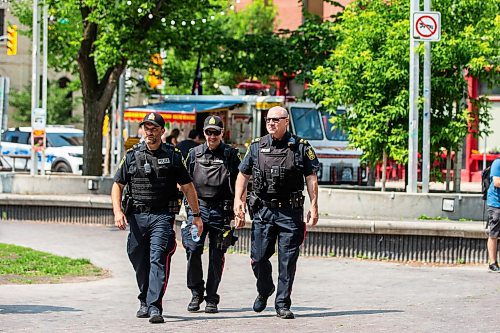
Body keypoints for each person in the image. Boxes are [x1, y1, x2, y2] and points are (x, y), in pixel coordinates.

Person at [111, 112, 203, 324]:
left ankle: (154, 306)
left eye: (154, 129)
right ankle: (144, 298)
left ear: (162, 131)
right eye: (146, 128)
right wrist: (117, 211)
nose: (149, 132)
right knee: (137, 256)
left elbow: (188, 187)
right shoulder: (132, 155)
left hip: (162, 216)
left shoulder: (172, 155)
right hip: (137, 216)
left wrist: (196, 215)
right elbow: (118, 185)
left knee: (157, 258)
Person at [233, 106, 320, 319]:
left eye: (275, 120)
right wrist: (238, 199)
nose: (271, 123)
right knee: (259, 257)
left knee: (287, 260)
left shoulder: (300, 146)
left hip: (290, 211)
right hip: (263, 210)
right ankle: (265, 289)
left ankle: (282, 303)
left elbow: (311, 178)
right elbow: (243, 175)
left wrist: (314, 205)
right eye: (268, 120)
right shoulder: (256, 146)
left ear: (286, 122)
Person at [182, 115, 241, 314]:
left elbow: (241, 182)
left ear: (221, 133)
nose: (212, 136)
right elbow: (184, 181)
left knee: (217, 255)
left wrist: (239, 208)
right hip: (198, 210)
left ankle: (212, 298)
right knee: (193, 249)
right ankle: (196, 292)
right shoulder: (194, 153)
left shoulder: (231, 155)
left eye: (216, 133)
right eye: (209, 132)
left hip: (221, 212)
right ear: (204, 133)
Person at [486, 158, 500, 272]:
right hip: (496, 203)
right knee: (494, 233)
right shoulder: (497, 163)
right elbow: (497, 182)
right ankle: (492, 262)